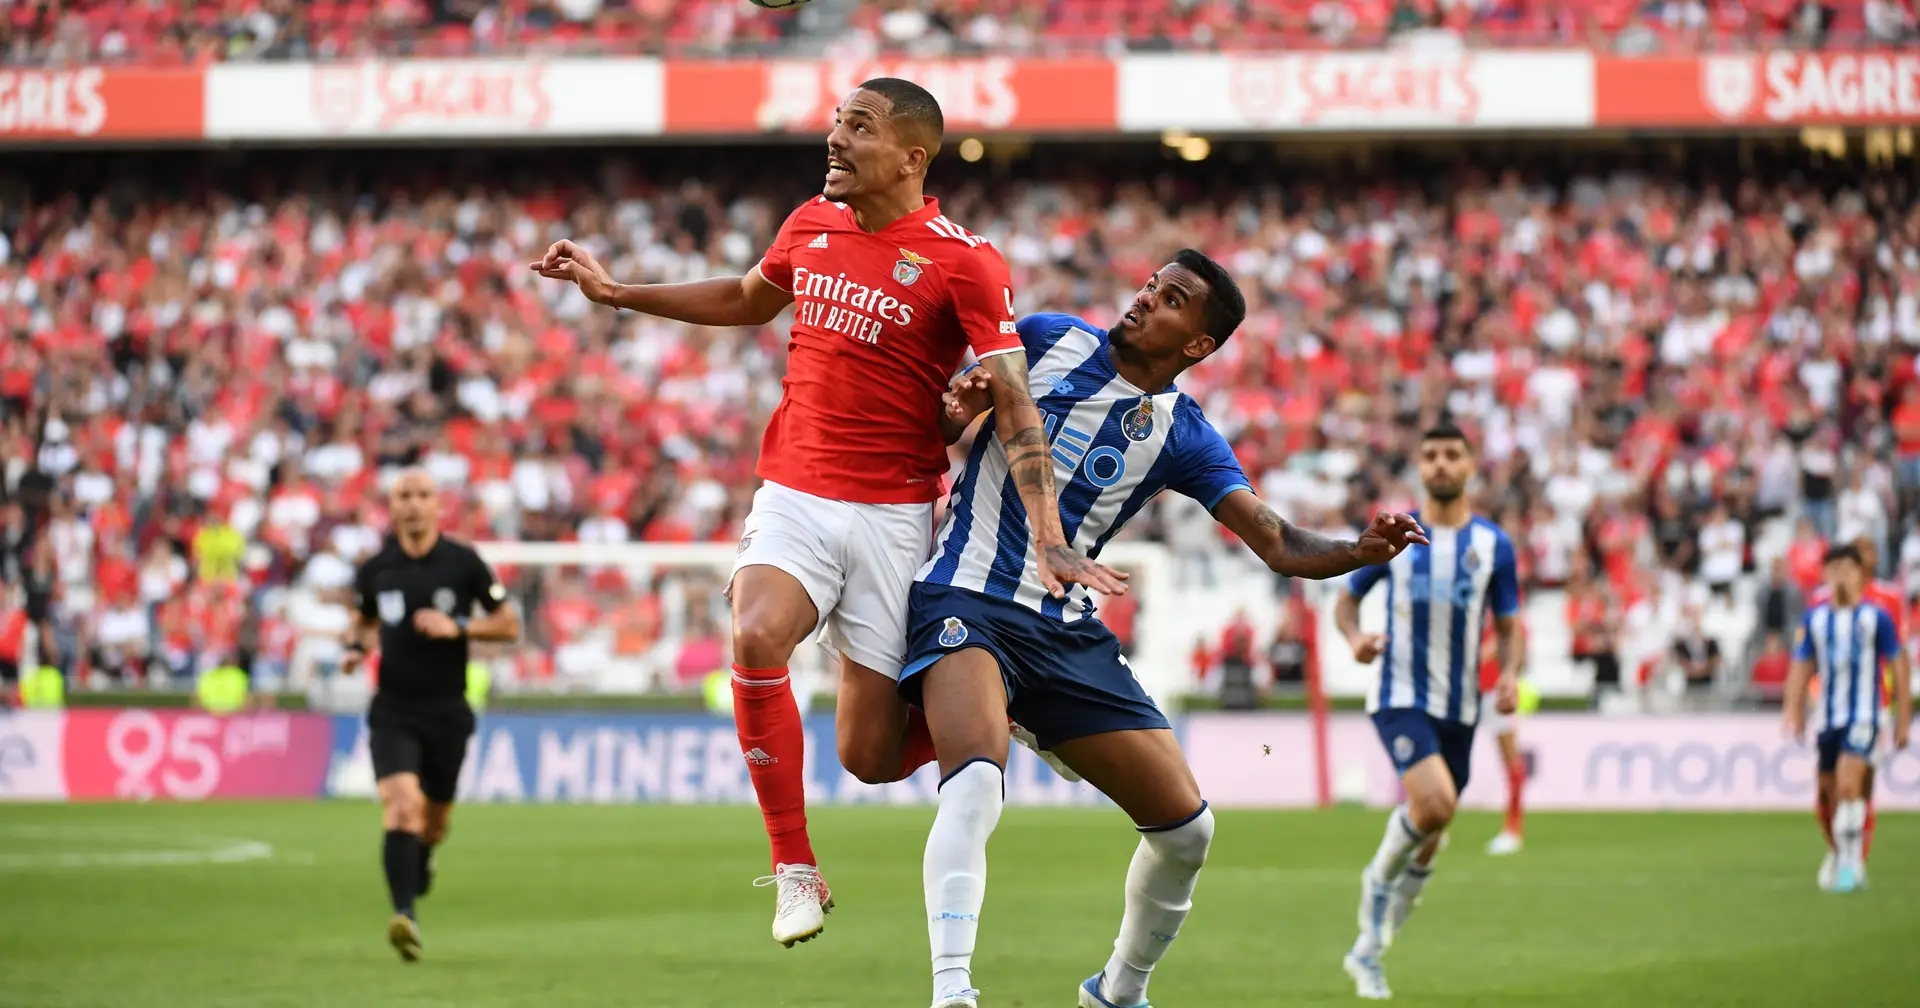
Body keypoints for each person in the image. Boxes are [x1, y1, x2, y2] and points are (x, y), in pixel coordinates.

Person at [530, 77, 1120, 947]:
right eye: (836, 122)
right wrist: (619, 295)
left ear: (913, 156)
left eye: (859, 126)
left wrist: (1048, 533)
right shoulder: (810, 222)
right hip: (798, 489)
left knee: (871, 757)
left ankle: (1009, 714)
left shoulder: (965, 260)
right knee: (756, 631)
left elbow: (1015, 398)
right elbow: (745, 298)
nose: (835, 139)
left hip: (893, 513)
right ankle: (795, 868)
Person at [904, 251, 1426, 1008]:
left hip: (1063, 630)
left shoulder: (1182, 432)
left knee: (1188, 832)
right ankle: (952, 991)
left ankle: (1117, 992)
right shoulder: (1049, 340)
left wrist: (1356, 550)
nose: (1147, 297)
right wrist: (955, 407)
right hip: (965, 598)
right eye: (1153, 283)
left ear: (1198, 345)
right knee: (977, 783)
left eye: (1173, 298)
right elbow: (941, 420)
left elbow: (1276, 542)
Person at [1334, 422, 1521, 1001]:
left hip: (1460, 708)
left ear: (1469, 466)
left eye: (1451, 455)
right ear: (1420, 466)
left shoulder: (1494, 546)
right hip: (1400, 696)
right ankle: (1373, 895)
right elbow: (1347, 599)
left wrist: (1510, 673)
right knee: (1434, 803)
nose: (1441, 464)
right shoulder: (1397, 535)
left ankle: (1369, 950)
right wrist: (1355, 639)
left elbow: (1510, 623)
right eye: (1431, 456)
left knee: (1433, 833)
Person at [344, 469, 521, 962]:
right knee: (401, 805)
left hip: (447, 712)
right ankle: (406, 915)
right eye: (404, 496)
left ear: (437, 505)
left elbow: (509, 626)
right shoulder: (377, 569)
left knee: (433, 823)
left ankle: (421, 863)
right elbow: (363, 620)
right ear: (392, 506)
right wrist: (355, 649)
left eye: (423, 495)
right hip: (393, 710)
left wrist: (458, 625)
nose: (414, 505)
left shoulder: (464, 563)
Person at [1786, 543, 1911, 893]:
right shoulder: (1815, 619)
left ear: (1860, 574)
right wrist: (1793, 710)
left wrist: (1902, 721)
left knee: (1848, 784)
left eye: (1847, 568)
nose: (1841, 575)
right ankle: (1839, 851)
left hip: (1865, 715)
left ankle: (1851, 865)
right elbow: (1801, 665)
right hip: (1827, 717)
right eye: (1834, 568)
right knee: (1827, 796)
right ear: (1825, 574)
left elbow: (1900, 666)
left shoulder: (1877, 617)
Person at [1479, 616, 1527, 855]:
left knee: (1510, 759)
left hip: (1497, 689)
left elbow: (1511, 632)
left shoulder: (1499, 592)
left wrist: (1476, 656)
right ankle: (1435, 826)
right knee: (1446, 755)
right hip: (1467, 688)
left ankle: (1513, 830)